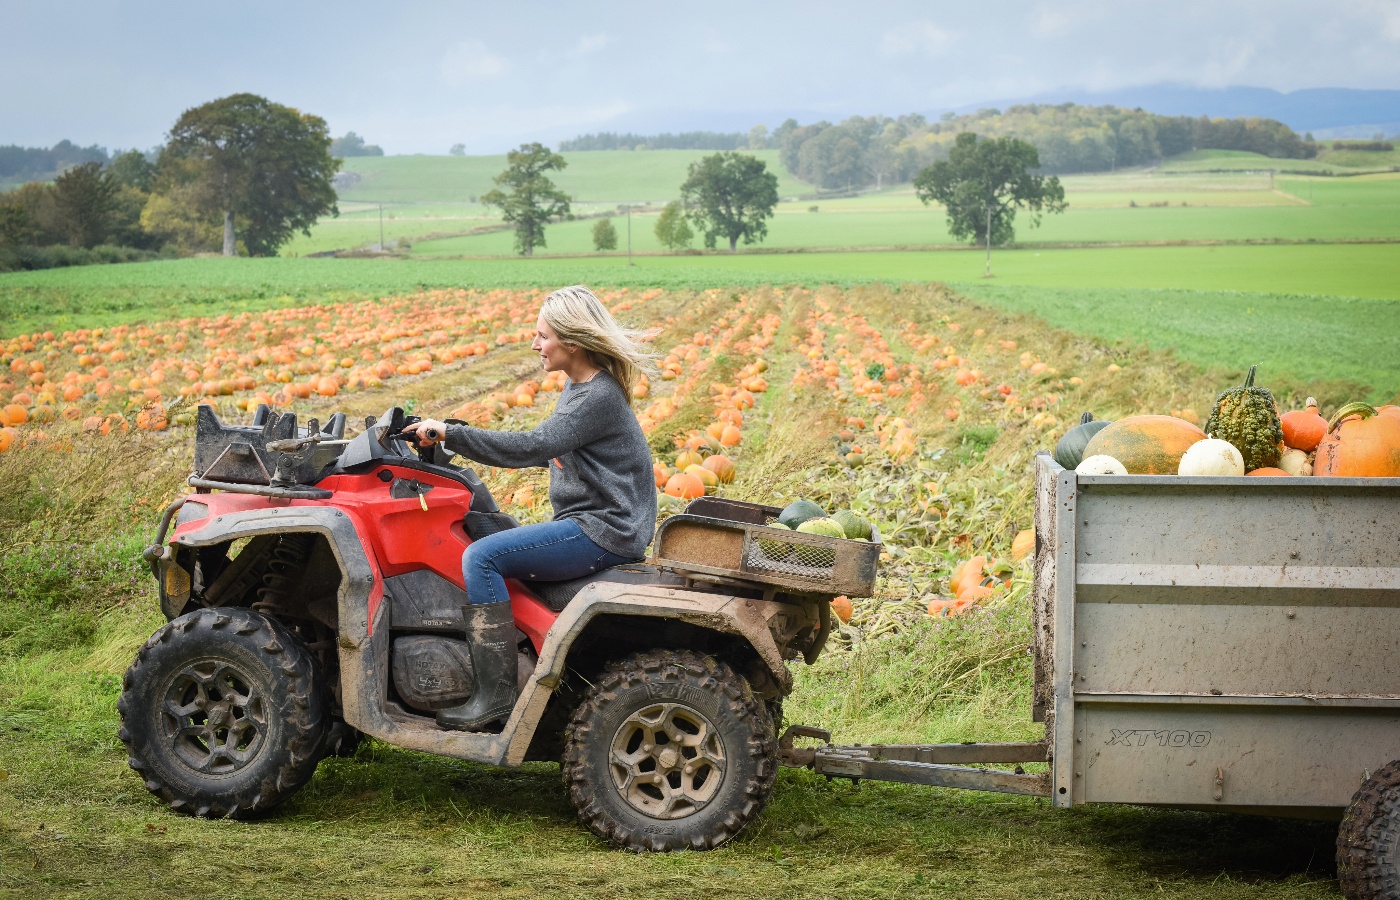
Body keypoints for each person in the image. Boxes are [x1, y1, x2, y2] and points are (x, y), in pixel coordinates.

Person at [403, 285, 657, 731]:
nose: (535, 344)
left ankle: (495, 697)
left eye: (543, 336)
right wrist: (455, 437)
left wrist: (451, 433)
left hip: (603, 529)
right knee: (489, 537)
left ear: (572, 342)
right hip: (597, 523)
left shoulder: (597, 397)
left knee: (481, 557)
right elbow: (553, 449)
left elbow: (533, 446)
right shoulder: (582, 387)